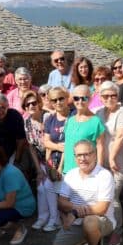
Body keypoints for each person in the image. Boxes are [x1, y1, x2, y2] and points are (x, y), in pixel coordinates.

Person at [50, 140, 116, 245]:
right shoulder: (71, 175)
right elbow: (61, 202)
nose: (83, 158)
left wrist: (74, 213)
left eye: (87, 154)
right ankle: (87, 238)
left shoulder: (104, 175)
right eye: (79, 155)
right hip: (76, 222)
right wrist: (76, 210)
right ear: (75, 157)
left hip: (101, 220)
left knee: (89, 222)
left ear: (95, 155)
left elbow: (101, 209)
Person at [95, 80, 123, 245]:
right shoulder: (99, 113)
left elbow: (121, 136)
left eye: (113, 95)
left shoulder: (122, 111)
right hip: (102, 163)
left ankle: (117, 231)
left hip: (118, 162)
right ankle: (104, 226)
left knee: (112, 195)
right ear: (100, 98)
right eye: (105, 96)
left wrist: (111, 158)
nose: (109, 98)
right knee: (101, 195)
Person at [41, 86, 73, 232]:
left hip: (69, 162)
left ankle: (68, 222)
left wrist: (60, 167)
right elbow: (46, 143)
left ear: (67, 98)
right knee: (48, 186)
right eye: (54, 100)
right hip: (53, 159)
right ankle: (55, 219)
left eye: (61, 98)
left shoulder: (73, 116)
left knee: (64, 193)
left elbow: (70, 143)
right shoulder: (50, 119)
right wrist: (49, 165)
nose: (58, 102)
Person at [23, 91, 56, 230]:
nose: (31, 105)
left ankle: (55, 219)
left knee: (48, 186)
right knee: (40, 186)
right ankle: (43, 217)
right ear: (24, 107)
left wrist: (48, 167)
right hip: (41, 160)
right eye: (28, 104)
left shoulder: (48, 117)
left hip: (54, 157)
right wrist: (38, 170)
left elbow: (51, 142)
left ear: (39, 104)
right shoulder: (27, 122)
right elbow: (31, 147)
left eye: (34, 103)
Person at [62, 85, 106, 175]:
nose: (80, 101)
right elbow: (67, 146)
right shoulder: (70, 120)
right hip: (67, 171)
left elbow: (100, 147)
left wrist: (98, 171)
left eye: (84, 98)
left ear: (90, 99)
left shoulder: (96, 121)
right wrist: (60, 167)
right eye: (76, 98)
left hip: (86, 172)